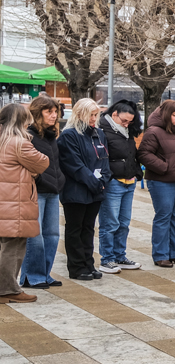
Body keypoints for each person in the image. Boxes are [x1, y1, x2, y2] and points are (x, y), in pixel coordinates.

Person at [138, 100, 175, 269]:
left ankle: (173, 252)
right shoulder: (154, 131)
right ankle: (160, 254)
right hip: (162, 181)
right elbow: (143, 153)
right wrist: (164, 167)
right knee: (163, 216)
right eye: (174, 115)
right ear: (166, 114)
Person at [0, 104, 49, 303]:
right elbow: (42, 162)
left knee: (4, 246)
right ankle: (8, 289)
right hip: (15, 204)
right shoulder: (19, 143)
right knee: (14, 247)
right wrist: (31, 171)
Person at [57, 99, 110, 281]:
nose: (94, 119)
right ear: (80, 114)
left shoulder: (99, 134)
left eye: (96, 115)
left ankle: (88, 263)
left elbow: (105, 162)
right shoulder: (69, 136)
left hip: (95, 191)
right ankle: (76, 267)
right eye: (91, 115)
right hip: (76, 191)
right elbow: (75, 165)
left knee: (88, 228)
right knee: (75, 229)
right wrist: (95, 183)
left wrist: (104, 181)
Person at [21, 96, 64, 289]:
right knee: (35, 236)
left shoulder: (51, 135)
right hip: (35, 192)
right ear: (38, 113)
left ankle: (45, 274)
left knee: (52, 235)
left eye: (55, 112)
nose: (54, 115)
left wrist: (59, 180)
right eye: (49, 112)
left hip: (53, 191)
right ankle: (31, 276)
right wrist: (39, 179)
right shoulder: (28, 135)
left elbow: (55, 164)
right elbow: (26, 165)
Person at [97, 99, 142, 273]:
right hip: (113, 181)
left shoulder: (127, 131)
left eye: (130, 121)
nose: (127, 124)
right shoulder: (103, 130)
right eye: (124, 120)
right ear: (114, 114)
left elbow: (132, 154)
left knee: (124, 222)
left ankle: (119, 256)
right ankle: (107, 259)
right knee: (110, 223)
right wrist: (107, 178)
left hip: (129, 180)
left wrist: (137, 172)